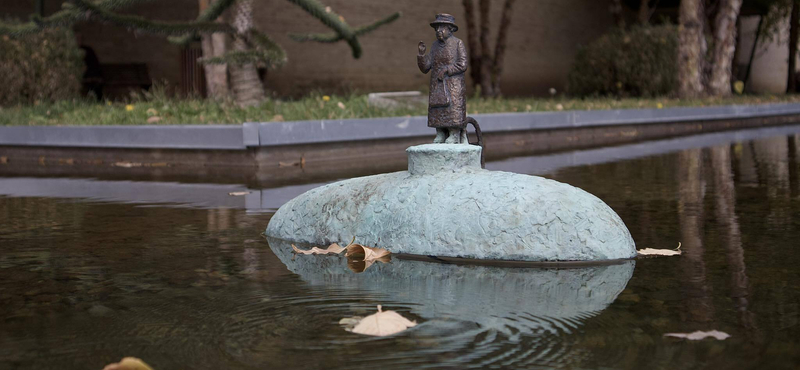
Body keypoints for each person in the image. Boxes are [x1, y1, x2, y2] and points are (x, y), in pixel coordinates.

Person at [417, 14, 468, 144]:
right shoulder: (434, 46)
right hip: (437, 84)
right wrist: (422, 55)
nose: (438, 31)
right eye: (437, 29)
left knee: (452, 108)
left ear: (450, 29)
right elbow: (426, 67)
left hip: (453, 85)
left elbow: (463, 64)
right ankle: (440, 132)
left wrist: (447, 70)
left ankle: (454, 133)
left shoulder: (458, 43)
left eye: (442, 28)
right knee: (437, 109)